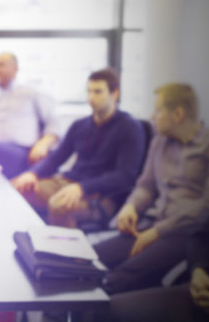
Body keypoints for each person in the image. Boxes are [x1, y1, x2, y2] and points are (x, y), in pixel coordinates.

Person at [94, 83, 209, 295]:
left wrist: (158, 232)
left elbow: (208, 208)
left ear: (178, 114)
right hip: (150, 225)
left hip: (184, 233)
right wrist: (130, 207)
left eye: (158, 110)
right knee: (90, 258)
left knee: (118, 279)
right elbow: (146, 186)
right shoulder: (160, 141)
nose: (152, 116)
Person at [11, 68, 146, 228]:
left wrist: (82, 188)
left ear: (115, 93)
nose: (91, 97)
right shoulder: (80, 125)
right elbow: (56, 158)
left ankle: (66, 252)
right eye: (89, 91)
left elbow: (125, 176)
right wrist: (32, 173)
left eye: (98, 92)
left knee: (59, 205)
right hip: (69, 183)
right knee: (16, 188)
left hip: (102, 195)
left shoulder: (130, 127)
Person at [79, 199, 209, 322]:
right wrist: (199, 269)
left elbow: (204, 208)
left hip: (179, 231)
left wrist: (159, 230)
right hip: (200, 290)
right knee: (103, 308)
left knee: (111, 290)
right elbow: (204, 236)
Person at [0, 52, 60, 179]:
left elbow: (53, 123)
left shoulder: (31, 93)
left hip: (21, 152)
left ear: (15, 68)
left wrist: (43, 143)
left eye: (2, 65)